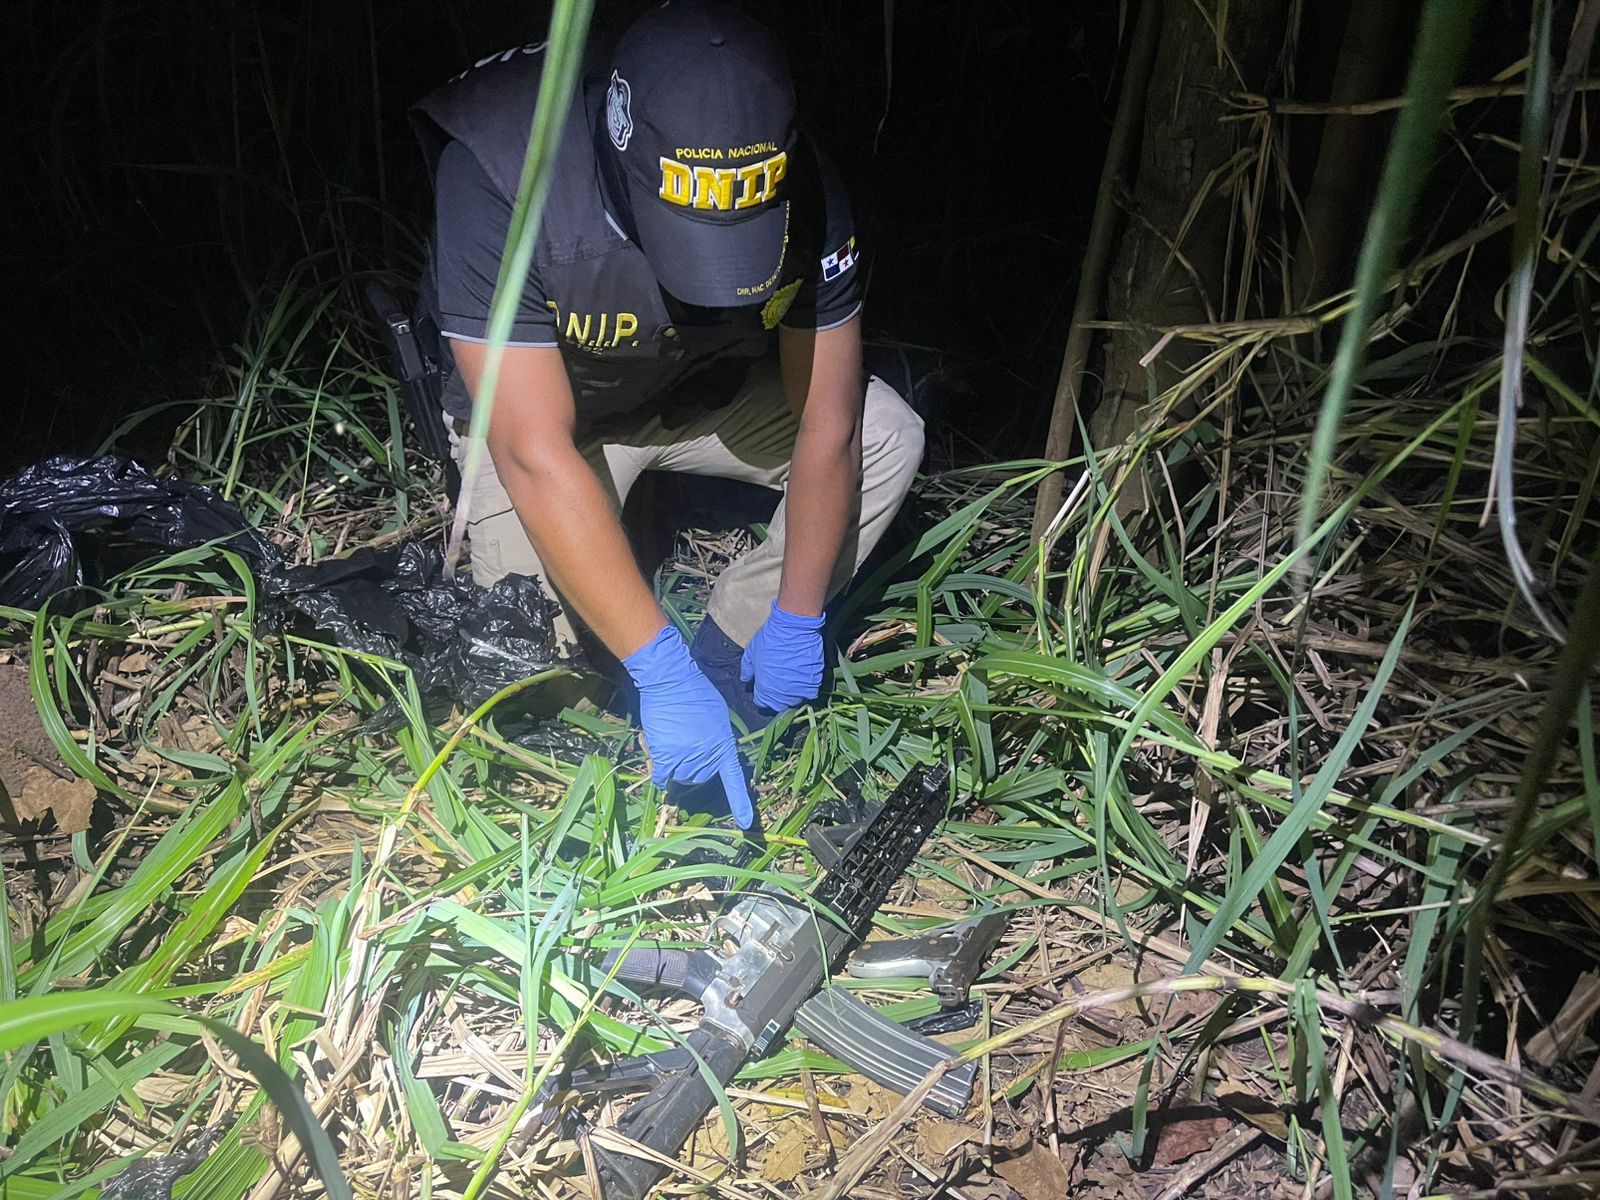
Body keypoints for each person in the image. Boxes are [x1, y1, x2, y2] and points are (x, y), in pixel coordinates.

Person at [409, 0, 925, 827]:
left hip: (692, 398)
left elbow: (828, 422)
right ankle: (656, 690)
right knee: (532, 661)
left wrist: (798, 614)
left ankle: (734, 655)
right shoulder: (501, 175)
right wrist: (658, 668)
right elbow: (533, 450)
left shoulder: (804, 184)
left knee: (888, 434)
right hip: (548, 425)